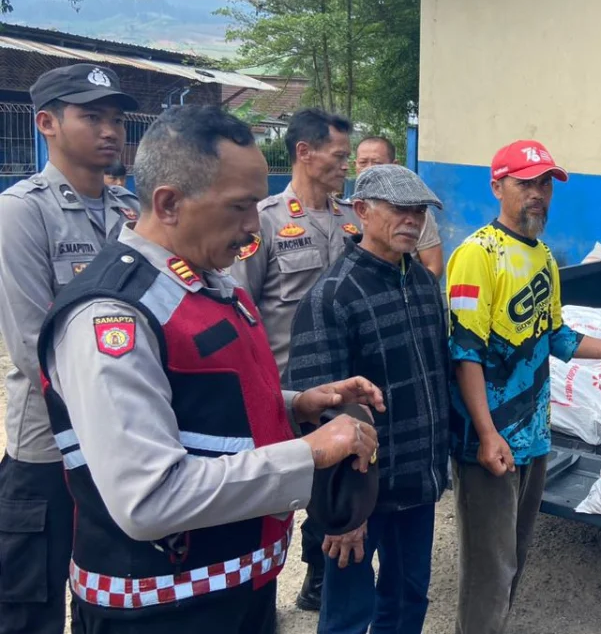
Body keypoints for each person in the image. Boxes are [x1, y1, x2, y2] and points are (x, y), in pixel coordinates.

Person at [37, 104, 385, 633]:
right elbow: (150, 497)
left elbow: (205, 406)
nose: (254, 226)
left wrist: (295, 406)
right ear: (170, 203)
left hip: (234, 589)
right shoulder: (113, 315)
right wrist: (308, 453)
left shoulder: (204, 281)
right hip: (162, 610)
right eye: (240, 207)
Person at [446, 139, 601, 634]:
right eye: (525, 182)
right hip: (489, 439)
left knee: (513, 558)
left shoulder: (541, 256)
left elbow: (553, 334)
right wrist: (486, 433)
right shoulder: (478, 254)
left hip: (534, 435)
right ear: (498, 187)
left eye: (544, 184)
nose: (538, 193)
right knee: (488, 570)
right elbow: (464, 351)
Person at [0, 63, 141, 634]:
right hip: (51, 449)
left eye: (116, 119)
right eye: (91, 117)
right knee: (27, 604)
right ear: (47, 123)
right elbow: (35, 345)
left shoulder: (130, 214)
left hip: (122, 441)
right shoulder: (22, 212)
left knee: (107, 597)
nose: (110, 130)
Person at [287, 164, 451, 634]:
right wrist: (343, 515)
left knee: (408, 600)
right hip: (365, 494)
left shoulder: (420, 284)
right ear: (361, 210)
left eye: (419, 211)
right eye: (399, 209)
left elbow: (436, 378)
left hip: (416, 485)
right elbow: (321, 418)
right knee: (347, 614)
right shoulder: (331, 298)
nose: (412, 221)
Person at [228, 107, 364, 610]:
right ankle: (256, 589)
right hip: (284, 389)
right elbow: (241, 309)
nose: (345, 165)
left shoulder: (352, 219)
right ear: (304, 153)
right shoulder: (264, 221)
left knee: (337, 482)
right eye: (338, 155)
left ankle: (318, 575)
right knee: (280, 484)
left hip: (343, 384)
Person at [355, 135, 445, 278]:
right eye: (363, 163)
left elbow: (433, 264)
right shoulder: (344, 210)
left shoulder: (418, 215)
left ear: (394, 165)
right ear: (361, 210)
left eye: (377, 163)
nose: (369, 169)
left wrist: (420, 293)